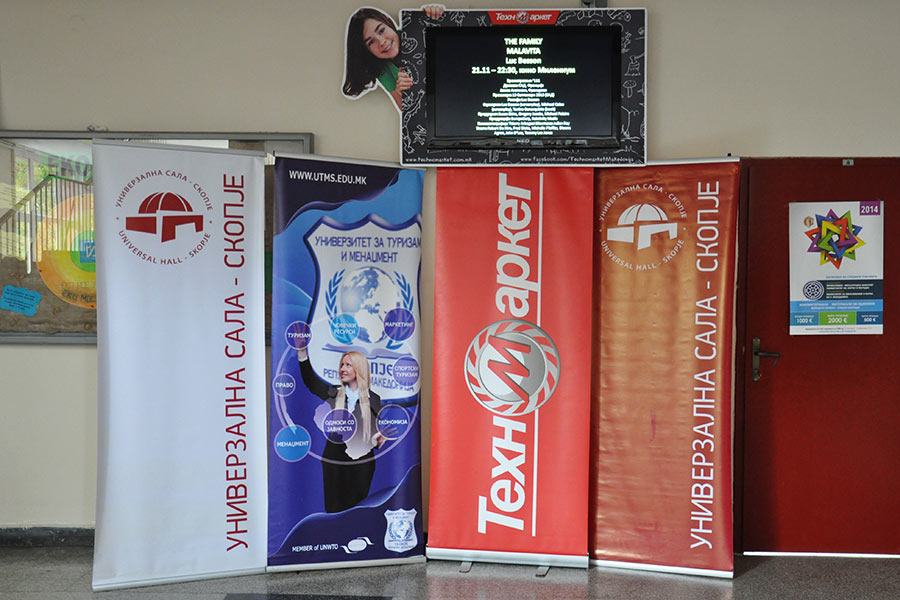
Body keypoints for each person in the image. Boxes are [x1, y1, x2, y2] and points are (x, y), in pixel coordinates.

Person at [297, 346, 386, 513]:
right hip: (334, 460)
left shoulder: (374, 399)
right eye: (342, 365)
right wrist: (302, 353)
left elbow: (373, 435)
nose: (343, 369)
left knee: (356, 512)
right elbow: (311, 382)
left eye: (348, 365)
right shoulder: (333, 392)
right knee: (334, 511)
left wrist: (378, 441)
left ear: (359, 369)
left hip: (362, 463)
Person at [341, 5, 444, 110]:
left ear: (389, 23)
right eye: (371, 42)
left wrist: (433, 14)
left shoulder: (413, 31)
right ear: (367, 51)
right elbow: (404, 108)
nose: (381, 42)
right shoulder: (383, 69)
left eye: (381, 30)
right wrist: (402, 93)